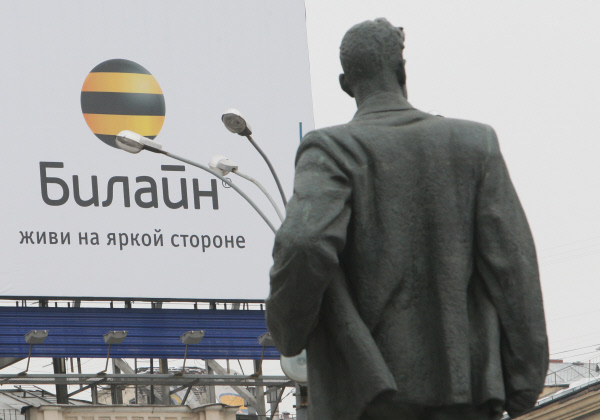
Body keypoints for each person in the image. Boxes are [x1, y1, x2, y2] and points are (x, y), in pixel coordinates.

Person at [266, 18, 548, 420]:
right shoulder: (475, 144)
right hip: (466, 398)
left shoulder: (330, 150)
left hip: (366, 399)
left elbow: (303, 242)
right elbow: (514, 270)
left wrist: (288, 329)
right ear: (402, 72)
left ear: (346, 84)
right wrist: (524, 382)